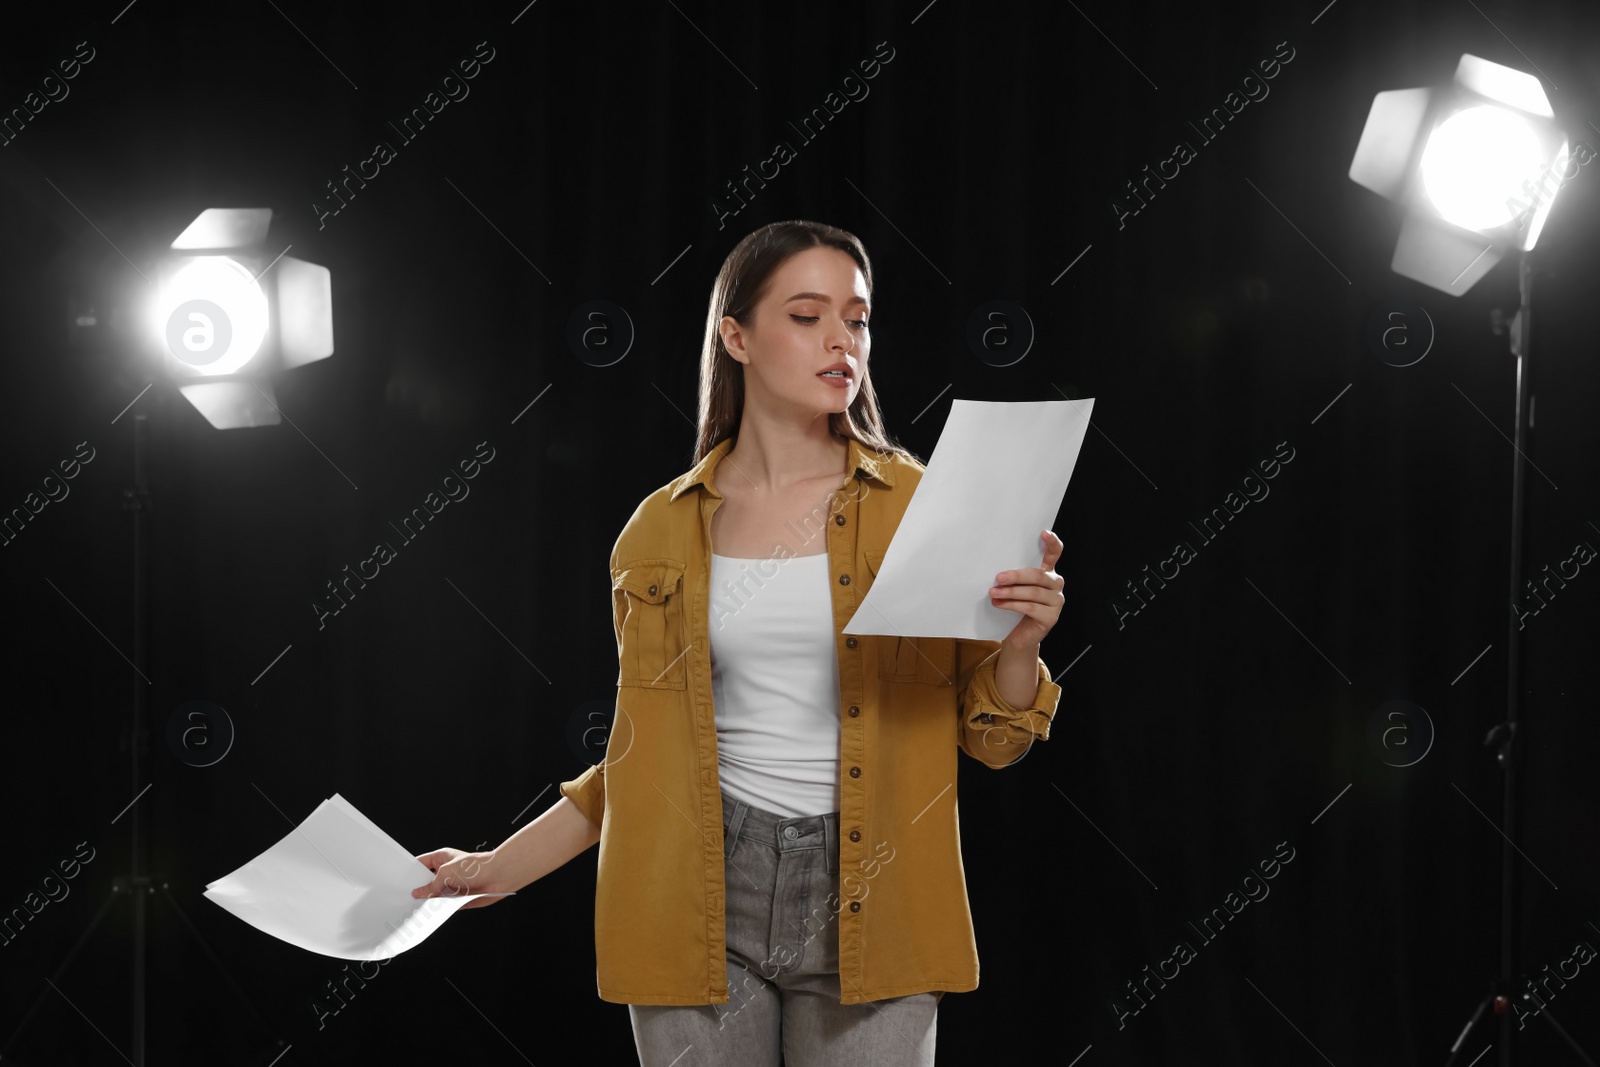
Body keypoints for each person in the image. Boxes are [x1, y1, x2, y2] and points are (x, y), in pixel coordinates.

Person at [411, 219, 1066, 1065]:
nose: (841, 339)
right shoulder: (656, 530)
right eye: (807, 315)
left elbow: (994, 740)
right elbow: (643, 757)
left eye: (857, 319)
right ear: (736, 336)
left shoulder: (923, 506)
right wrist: (494, 866)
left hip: (881, 896)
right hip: (693, 892)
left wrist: (1020, 644)